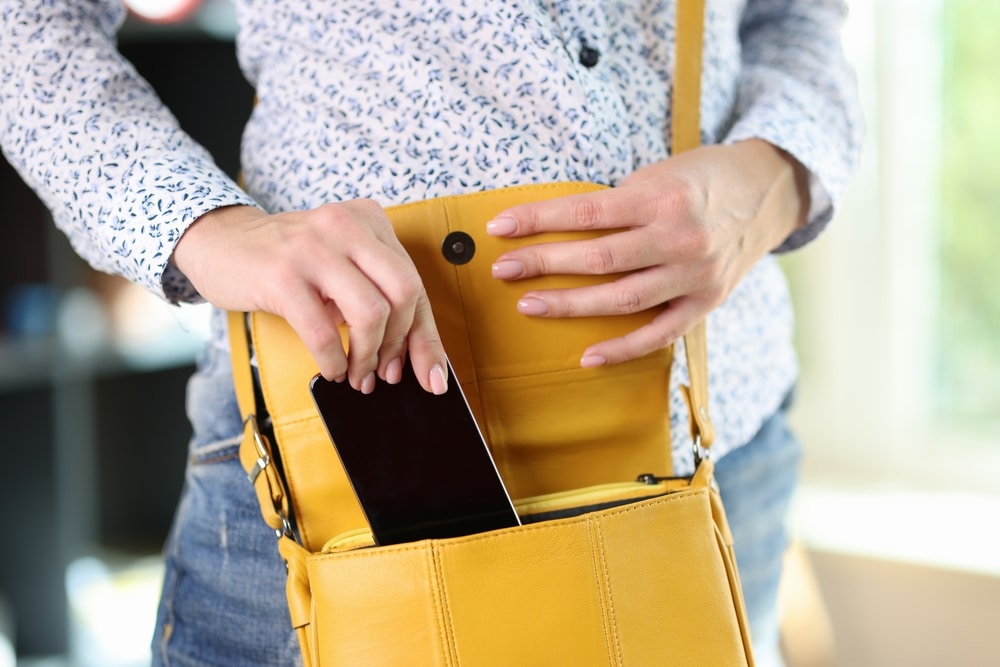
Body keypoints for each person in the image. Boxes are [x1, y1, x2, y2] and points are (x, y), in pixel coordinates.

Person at [0, 1, 862, 665]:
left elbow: (797, 20)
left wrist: (774, 175)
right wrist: (198, 224)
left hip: (711, 430)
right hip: (328, 455)